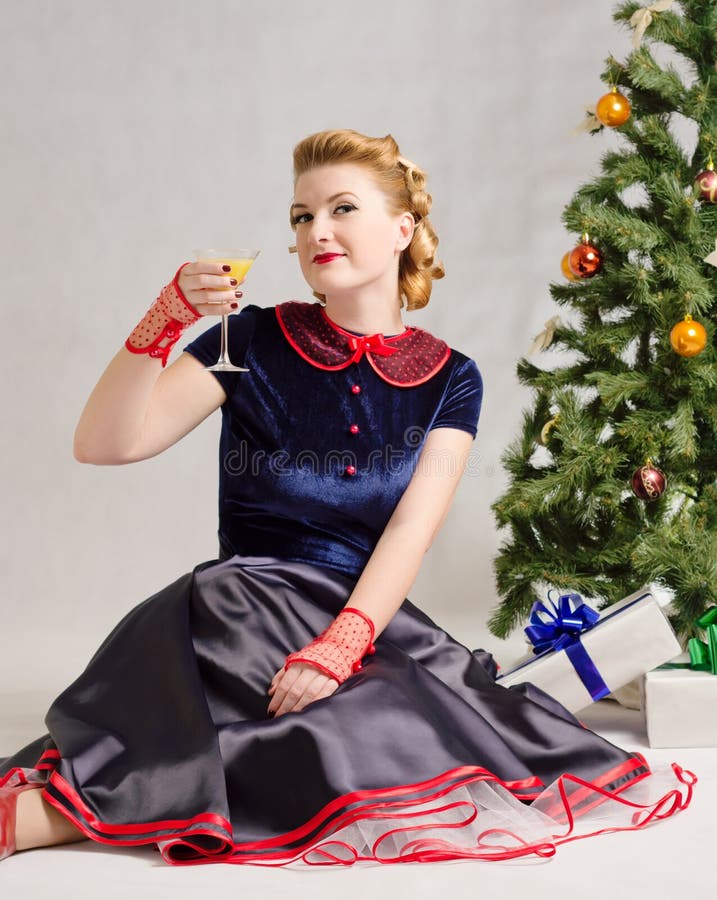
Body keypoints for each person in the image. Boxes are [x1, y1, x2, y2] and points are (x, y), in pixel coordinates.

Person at [0, 129, 694, 867]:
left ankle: (46, 818)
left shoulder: (450, 378)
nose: (316, 231)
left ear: (403, 229)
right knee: (331, 734)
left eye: (339, 208)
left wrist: (340, 646)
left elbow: (410, 530)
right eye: (301, 216)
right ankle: (39, 820)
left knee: (410, 725)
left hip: (365, 616)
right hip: (240, 608)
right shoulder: (250, 339)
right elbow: (106, 442)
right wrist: (166, 316)